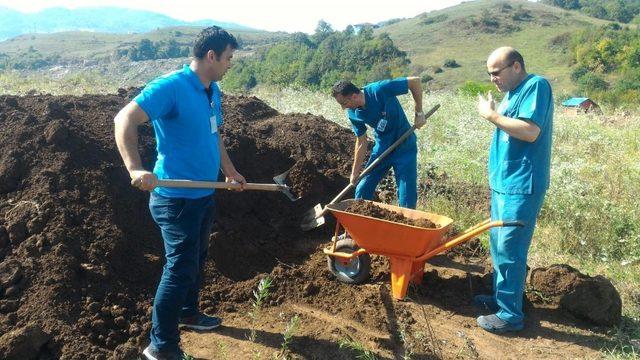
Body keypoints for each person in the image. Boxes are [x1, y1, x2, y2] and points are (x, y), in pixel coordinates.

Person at [114, 26, 246, 359]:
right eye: (229, 58)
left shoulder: (211, 90)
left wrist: (228, 171)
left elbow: (214, 135)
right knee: (179, 268)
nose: (231, 64)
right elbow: (124, 119)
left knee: (196, 260)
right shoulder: (170, 87)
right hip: (175, 199)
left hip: (203, 195)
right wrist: (135, 168)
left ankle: (189, 313)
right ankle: (161, 346)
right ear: (211, 56)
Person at [475, 47, 553, 333]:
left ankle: (510, 315)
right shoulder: (511, 94)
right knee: (498, 246)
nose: (493, 79)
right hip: (504, 182)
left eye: (496, 72)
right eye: (489, 74)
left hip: (522, 183)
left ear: (516, 66)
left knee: (510, 248)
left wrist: (490, 116)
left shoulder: (536, 86)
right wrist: (497, 112)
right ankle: (501, 298)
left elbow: (530, 131)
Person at [331, 77, 426, 209]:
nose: (343, 108)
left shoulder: (379, 89)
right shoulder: (353, 113)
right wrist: (355, 172)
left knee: (406, 197)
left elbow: (414, 81)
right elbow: (361, 142)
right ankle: (362, 226)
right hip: (382, 148)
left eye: (343, 103)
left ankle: (405, 227)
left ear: (354, 96)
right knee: (362, 189)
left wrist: (419, 112)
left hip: (405, 145)